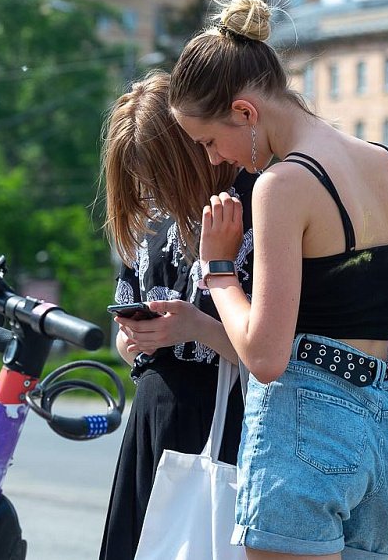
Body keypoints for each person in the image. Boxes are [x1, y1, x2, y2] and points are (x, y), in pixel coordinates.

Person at [168, 0, 388, 559]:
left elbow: (266, 356)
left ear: (245, 112)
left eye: (210, 142)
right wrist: (369, 436)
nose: (216, 160)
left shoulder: (283, 185)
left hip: (300, 430)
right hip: (379, 434)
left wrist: (218, 269)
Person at [97, 71, 257, 560]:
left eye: (157, 176)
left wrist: (196, 327)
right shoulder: (152, 220)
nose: (152, 191)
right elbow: (124, 338)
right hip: (152, 418)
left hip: (224, 419)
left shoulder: (253, 206)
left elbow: (275, 353)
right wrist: (135, 338)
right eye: (142, 180)